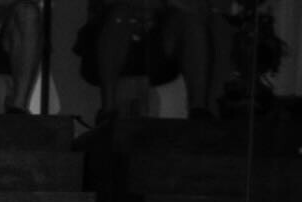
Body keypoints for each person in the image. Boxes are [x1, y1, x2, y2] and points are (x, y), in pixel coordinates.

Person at [79, 0, 234, 121]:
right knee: (119, 15)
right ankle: (108, 110)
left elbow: (199, 8)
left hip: (159, 40)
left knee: (192, 22)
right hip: (112, 34)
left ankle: (199, 109)